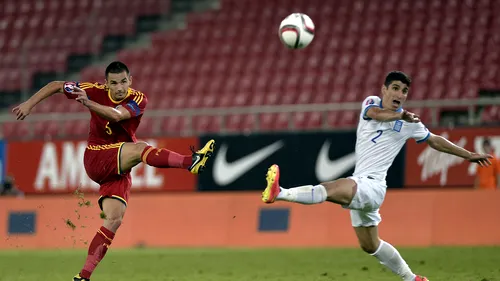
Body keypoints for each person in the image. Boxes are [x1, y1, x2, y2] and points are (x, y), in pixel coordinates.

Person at [261, 71, 492, 281]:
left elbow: (435, 140)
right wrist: (400, 116)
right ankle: (413, 279)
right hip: (362, 182)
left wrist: (468, 154)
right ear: (384, 89)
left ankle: (280, 192)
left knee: (331, 188)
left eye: (404, 91)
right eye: (395, 88)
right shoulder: (372, 104)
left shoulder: (411, 124)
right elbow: (376, 114)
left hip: (372, 186)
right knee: (370, 245)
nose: (399, 94)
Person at [12, 61, 216, 281]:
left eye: (123, 82)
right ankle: (189, 162)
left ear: (131, 81)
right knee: (140, 148)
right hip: (97, 156)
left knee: (113, 220)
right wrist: (29, 104)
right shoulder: (93, 90)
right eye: (114, 83)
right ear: (106, 84)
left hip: (117, 168)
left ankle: (83, 276)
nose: (119, 87)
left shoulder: (138, 99)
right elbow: (57, 85)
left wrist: (89, 104)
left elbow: (117, 116)